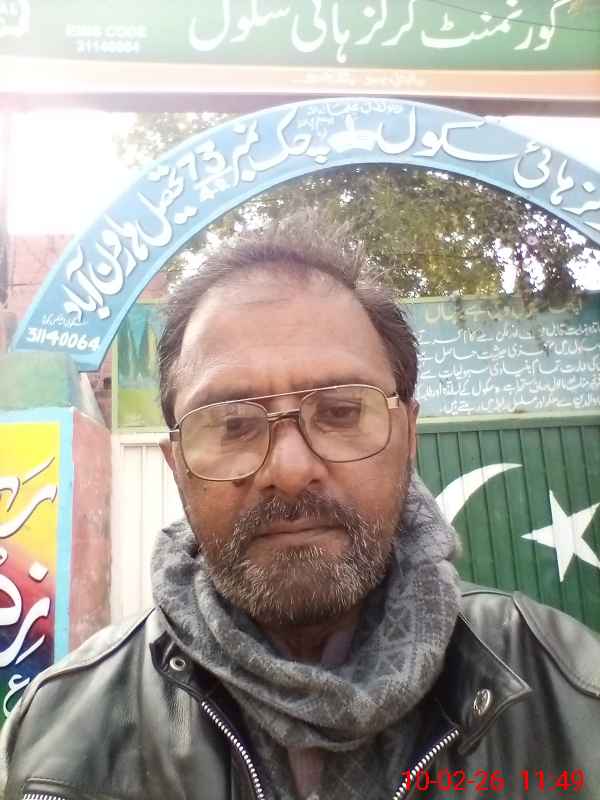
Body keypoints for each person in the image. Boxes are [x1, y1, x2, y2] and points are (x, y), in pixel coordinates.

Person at [1, 212, 599, 800]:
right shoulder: (58, 735)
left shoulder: (573, 696)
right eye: (232, 424)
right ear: (177, 464)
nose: (289, 471)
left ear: (408, 435)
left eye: (340, 411)